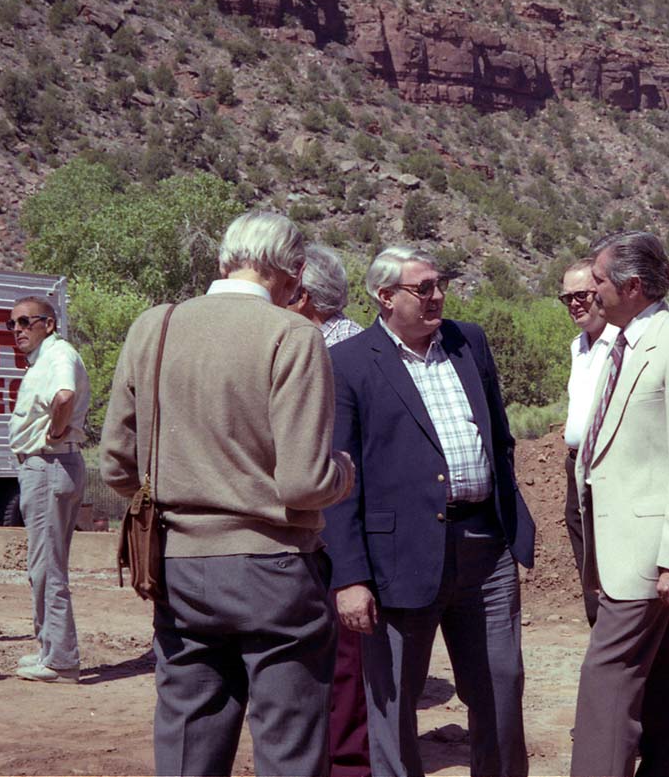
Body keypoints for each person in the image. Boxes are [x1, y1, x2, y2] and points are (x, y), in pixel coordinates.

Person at [100, 210, 355, 777]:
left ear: (223, 261)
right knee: (289, 751)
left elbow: (117, 465)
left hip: (179, 569)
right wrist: (345, 471)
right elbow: (303, 482)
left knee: (189, 744)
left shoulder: (154, 326)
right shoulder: (294, 335)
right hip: (276, 573)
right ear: (292, 277)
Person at [324, 246, 535, 777]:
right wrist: (350, 577)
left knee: (500, 688)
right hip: (398, 558)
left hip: (484, 548)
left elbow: (500, 437)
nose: (436, 296)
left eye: (439, 284)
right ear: (385, 297)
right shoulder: (348, 363)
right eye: (422, 288)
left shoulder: (469, 342)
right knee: (393, 701)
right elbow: (340, 481)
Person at [570, 231, 669, 777]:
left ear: (633, 286)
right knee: (665, 688)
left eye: (599, 281)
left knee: (606, 684)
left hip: (647, 553)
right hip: (621, 548)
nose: (589, 292)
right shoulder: (621, 342)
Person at [287, 242, 370, 777]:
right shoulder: (359, 341)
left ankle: (345, 762)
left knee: (343, 655)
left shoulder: (332, 354)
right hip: (334, 517)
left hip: (336, 522)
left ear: (304, 297)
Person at [7, 296, 90, 684]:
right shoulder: (45, 358)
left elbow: (64, 396)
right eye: (13, 324)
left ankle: (60, 661)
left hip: (48, 463)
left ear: (50, 324)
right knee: (43, 565)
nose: (18, 330)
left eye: (26, 322)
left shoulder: (58, 355)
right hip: (49, 465)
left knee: (46, 567)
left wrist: (54, 433)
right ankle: (49, 647)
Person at [559, 258, 616, 627]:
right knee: (586, 555)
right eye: (567, 298)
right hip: (575, 463)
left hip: (609, 465)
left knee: (612, 561)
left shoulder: (621, 342)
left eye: (582, 295)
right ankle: (600, 633)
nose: (575, 304)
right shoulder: (577, 347)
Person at [289, 243, 364, 346]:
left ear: (303, 296)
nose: (278, 299)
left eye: (286, 289)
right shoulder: (310, 337)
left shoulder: (344, 345)